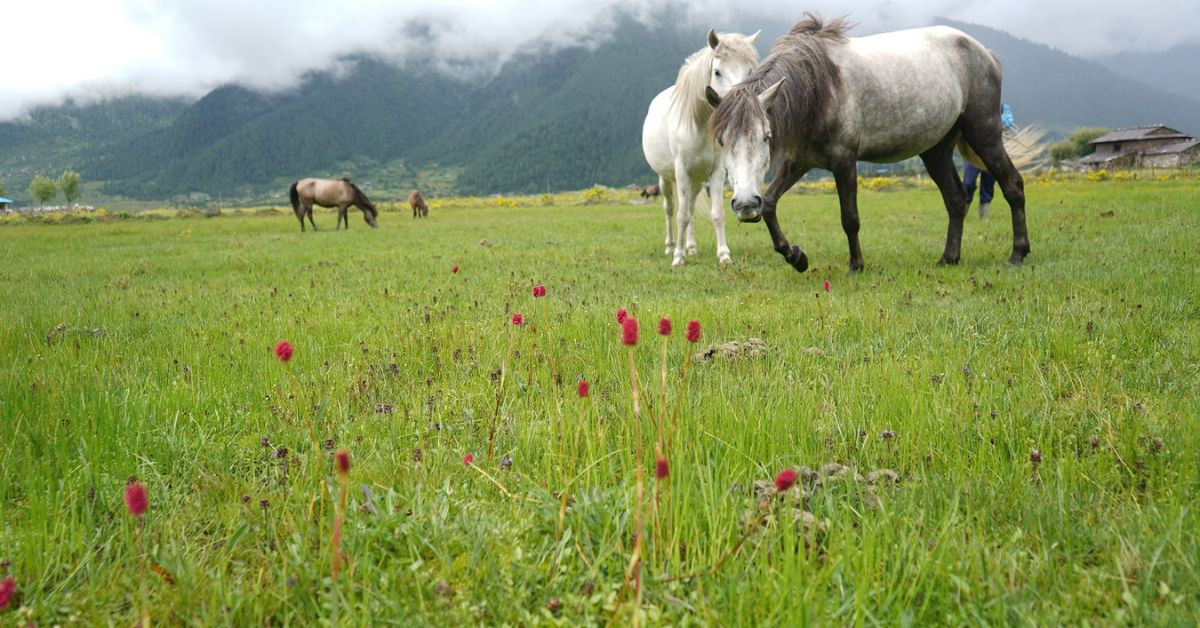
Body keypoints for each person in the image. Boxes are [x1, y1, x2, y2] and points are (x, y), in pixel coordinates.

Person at [964, 104, 1015, 220]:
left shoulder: (1003, 108)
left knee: (988, 185)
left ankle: (984, 217)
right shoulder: (973, 105)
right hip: (973, 152)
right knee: (968, 182)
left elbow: (1009, 121)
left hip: (992, 153)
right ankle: (962, 213)